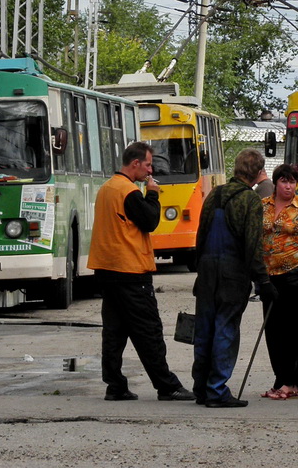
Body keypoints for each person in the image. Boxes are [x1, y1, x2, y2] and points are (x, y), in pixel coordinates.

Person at [86, 141, 196, 402]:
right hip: (130, 269)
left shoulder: (107, 188)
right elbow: (150, 221)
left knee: (114, 330)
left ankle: (115, 385)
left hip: (106, 267)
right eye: (148, 165)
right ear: (135, 163)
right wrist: (153, 193)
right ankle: (167, 386)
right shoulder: (129, 191)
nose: (150, 170)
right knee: (149, 330)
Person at [191, 148, 277, 407]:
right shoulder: (250, 201)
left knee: (204, 329)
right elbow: (253, 245)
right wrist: (263, 280)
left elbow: (200, 236)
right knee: (225, 329)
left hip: (207, 270)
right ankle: (217, 390)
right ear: (258, 172)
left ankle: (201, 388)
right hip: (232, 272)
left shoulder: (214, 195)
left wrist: (200, 270)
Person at [259, 164, 298, 400]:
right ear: (275, 183)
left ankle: (290, 382)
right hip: (268, 277)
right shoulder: (263, 206)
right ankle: (280, 379)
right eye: (284, 181)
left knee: (292, 331)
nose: (288, 186)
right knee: (272, 330)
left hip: (295, 275)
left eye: (292, 182)